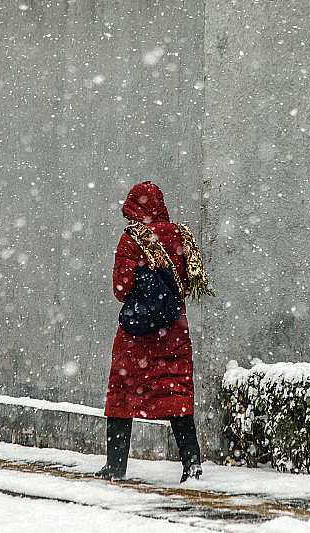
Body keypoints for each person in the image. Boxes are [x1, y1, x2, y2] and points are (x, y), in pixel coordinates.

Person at [96, 181, 214, 483]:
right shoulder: (180, 235)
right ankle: (192, 464)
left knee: (122, 396)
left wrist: (143, 288)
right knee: (176, 393)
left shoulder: (132, 239)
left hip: (137, 338)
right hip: (174, 330)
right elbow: (188, 282)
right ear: (160, 205)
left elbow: (121, 290)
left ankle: (116, 467)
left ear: (134, 207)